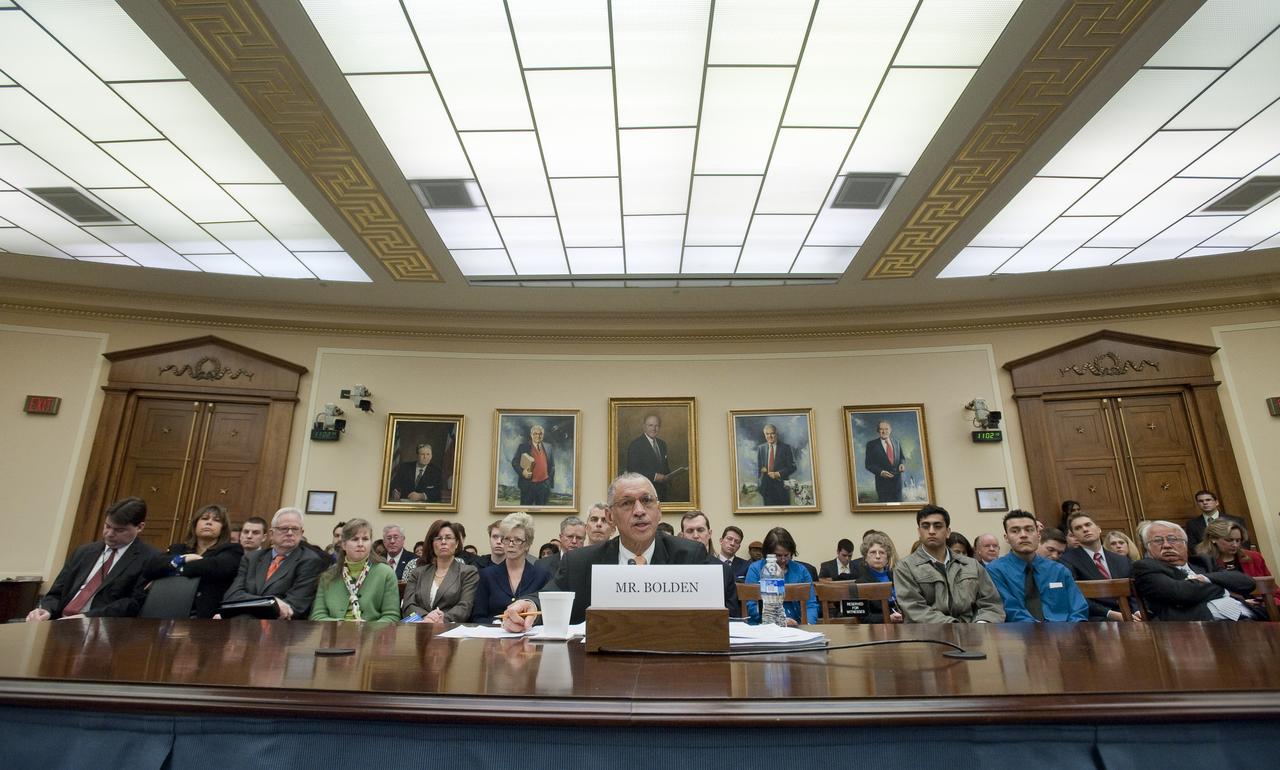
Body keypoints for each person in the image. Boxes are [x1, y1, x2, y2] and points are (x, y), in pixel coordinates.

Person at [502, 473, 724, 630]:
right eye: (627, 503)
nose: (639, 511)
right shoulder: (580, 561)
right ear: (610, 517)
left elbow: (711, 619)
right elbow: (548, 596)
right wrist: (529, 605)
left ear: (659, 512)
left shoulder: (689, 556)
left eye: (647, 501)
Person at [27, 497, 159, 621]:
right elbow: (57, 592)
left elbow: (133, 603)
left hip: (102, 628)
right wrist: (46, 609)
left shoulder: (150, 558)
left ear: (140, 527)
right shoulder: (84, 552)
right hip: (58, 622)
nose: (109, 534)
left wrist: (86, 617)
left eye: (119, 530)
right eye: (107, 526)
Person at [894, 505, 1004, 623]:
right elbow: (915, 609)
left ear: (948, 532)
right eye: (925, 526)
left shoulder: (972, 565)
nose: (931, 531)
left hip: (974, 631)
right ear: (919, 532)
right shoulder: (905, 567)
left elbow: (991, 603)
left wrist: (982, 623)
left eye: (938, 526)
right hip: (929, 634)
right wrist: (955, 627)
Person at [1133, 520, 1256, 621]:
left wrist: (1207, 579)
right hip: (1195, 628)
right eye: (1157, 541)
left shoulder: (1203, 562)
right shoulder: (1145, 567)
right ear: (1148, 548)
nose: (1166, 545)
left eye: (1172, 539)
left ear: (1185, 544)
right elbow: (1181, 593)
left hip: (1248, 617)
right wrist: (1224, 589)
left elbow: (1247, 582)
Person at [221, 507, 325, 619]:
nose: (290, 533)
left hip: (282, 627)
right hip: (244, 621)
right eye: (284, 528)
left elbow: (294, 606)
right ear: (271, 533)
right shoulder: (252, 558)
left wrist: (252, 604)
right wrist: (272, 601)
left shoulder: (310, 561)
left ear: (301, 533)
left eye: (295, 529)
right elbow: (232, 595)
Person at [986, 510, 1087, 623]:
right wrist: (1039, 631)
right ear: (1006, 538)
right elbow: (1010, 610)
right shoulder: (995, 570)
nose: (1023, 535)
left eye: (1029, 530)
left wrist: (1072, 630)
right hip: (1019, 634)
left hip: (1064, 632)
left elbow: (1078, 609)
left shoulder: (1059, 570)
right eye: (1015, 531)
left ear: (1038, 535)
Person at [146, 503, 244, 619]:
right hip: (168, 610)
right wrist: (183, 558)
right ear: (195, 524)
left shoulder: (232, 550)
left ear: (223, 528)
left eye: (216, 520)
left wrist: (173, 570)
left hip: (205, 616)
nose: (209, 522)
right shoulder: (177, 549)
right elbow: (150, 568)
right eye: (204, 518)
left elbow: (215, 567)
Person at [310, 518, 400, 622]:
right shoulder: (328, 575)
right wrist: (343, 625)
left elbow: (392, 616)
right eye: (355, 539)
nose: (360, 544)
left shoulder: (386, 573)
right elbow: (318, 616)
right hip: (335, 634)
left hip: (373, 635)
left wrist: (367, 628)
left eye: (365, 539)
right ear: (343, 545)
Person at [473, 512, 552, 623]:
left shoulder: (542, 576)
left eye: (517, 540)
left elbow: (546, 614)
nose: (510, 544)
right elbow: (478, 617)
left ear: (528, 544)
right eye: (507, 539)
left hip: (530, 635)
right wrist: (499, 624)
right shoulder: (487, 575)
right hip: (494, 636)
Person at [1060, 512, 1137, 621]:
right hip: (1098, 618)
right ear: (1074, 536)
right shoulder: (1068, 560)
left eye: (1088, 525)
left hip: (1131, 615)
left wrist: (1137, 611)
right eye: (1078, 528)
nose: (1085, 529)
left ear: (1099, 529)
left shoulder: (1121, 560)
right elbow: (1075, 596)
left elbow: (1134, 590)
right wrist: (1110, 613)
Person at [402, 519, 479, 623]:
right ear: (432, 544)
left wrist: (444, 618)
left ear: (456, 543)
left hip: (451, 630)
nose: (443, 542)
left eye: (448, 538)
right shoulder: (418, 573)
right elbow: (408, 604)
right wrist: (426, 617)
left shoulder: (468, 572)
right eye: (438, 538)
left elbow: (465, 606)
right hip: (421, 627)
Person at [744, 527, 819, 626]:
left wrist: (807, 625)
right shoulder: (755, 569)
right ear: (768, 553)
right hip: (763, 626)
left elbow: (811, 604)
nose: (783, 560)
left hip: (797, 626)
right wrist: (778, 620)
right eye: (778, 555)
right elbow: (751, 604)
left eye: (786, 555)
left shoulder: (801, 571)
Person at [850, 532, 902, 623]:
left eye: (882, 553)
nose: (878, 556)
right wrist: (888, 618)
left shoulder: (897, 577)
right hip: (876, 630)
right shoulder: (860, 583)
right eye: (873, 552)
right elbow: (863, 618)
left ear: (887, 558)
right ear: (865, 557)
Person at [1197, 520, 1272, 579]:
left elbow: (1274, 590)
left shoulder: (1254, 557)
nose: (1235, 545)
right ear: (1213, 539)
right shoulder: (1203, 563)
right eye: (1229, 540)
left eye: (1238, 540)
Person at [626, 414, 671, 500]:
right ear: (644, 427)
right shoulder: (636, 445)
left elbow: (665, 467)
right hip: (644, 493)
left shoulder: (662, 444)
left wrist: (669, 476)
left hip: (663, 492)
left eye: (656, 426)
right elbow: (632, 471)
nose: (654, 429)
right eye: (650, 425)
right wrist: (654, 476)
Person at [511, 423, 554, 506]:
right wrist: (523, 472)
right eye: (535, 434)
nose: (538, 436)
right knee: (525, 512)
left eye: (540, 434)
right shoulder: (523, 447)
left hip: (543, 486)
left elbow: (552, 466)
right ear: (531, 435)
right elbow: (514, 462)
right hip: (528, 486)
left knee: (542, 512)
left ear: (543, 435)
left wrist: (549, 483)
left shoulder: (549, 447)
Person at [755, 424, 797, 506]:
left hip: (781, 489)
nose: (769, 436)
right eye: (767, 434)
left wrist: (778, 474)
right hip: (766, 490)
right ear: (764, 435)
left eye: (772, 433)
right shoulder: (761, 448)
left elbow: (793, 466)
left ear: (776, 434)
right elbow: (759, 469)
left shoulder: (786, 448)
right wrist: (760, 484)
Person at [864, 420, 906, 502]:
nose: (884, 431)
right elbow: (868, 464)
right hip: (882, 484)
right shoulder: (871, 445)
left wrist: (902, 464)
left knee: (899, 508)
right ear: (878, 431)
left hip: (897, 483)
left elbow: (902, 457)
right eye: (881, 429)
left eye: (886, 429)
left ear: (890, 430)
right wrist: (881, 472)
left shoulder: (896, 442)